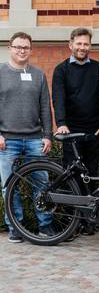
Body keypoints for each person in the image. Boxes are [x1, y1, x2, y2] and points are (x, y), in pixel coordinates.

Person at [0, 32, 54, 243]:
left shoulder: (38, 75)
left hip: (34, 140)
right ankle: (16, 229)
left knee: (41, 184)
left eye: (26, 47)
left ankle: (45, 226)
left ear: (31, 50)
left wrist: (48, 136)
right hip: (7, 141)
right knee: (10, 186)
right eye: (18, 47)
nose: (22, 51)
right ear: (10, 48)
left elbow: (45, 108)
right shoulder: (1, 72)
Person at [52, 28, 99, 198]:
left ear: (90, 45)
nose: (82, 47)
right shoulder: (61, 70)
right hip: (71, 131)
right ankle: (73, 219)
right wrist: (61, 124)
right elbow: (58, 99)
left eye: (86, 44)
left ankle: (90, 218)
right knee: (72, 174)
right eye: (79, 43)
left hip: (94, 131)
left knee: (91, 173)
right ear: (71, 44)